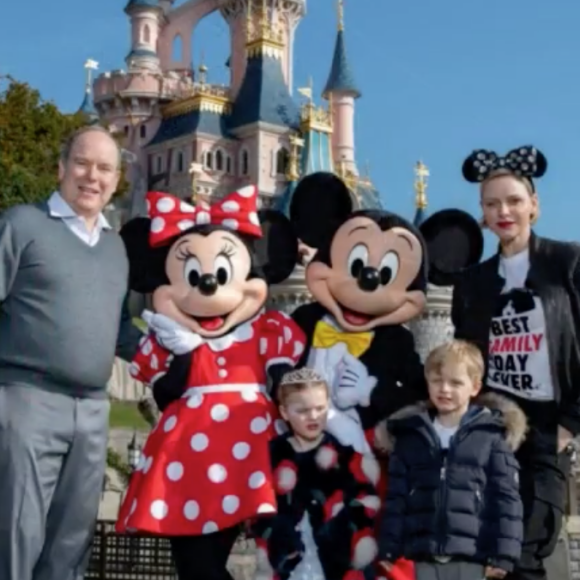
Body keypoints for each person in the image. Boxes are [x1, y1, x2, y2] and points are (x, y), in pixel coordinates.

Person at [114, 187, 306, 580]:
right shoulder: (168, 339)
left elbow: (282, 382)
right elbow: (165, 393)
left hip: (248, 457)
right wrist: (184, 351)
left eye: (220, 274)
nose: (208, 286)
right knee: (194, 567)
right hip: (187, 462)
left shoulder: (266, 331)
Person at [0, 125, 141, 580]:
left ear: (116, 180)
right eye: (82, 163)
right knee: (16, 533)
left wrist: (177, 360)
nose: (91, 176)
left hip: (93, 409)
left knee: (72, 541)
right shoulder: (22, 224)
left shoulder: (115, 248)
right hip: (27, 399)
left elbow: (119, 329)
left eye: (104, 168)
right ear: (61, 167)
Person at [452, 145, 580, 580]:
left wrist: (569, 423)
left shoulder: (567, 262)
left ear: (534, 206)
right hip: (493, 424)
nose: (503, 211)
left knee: (530, 542)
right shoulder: (471, 281)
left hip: (548, 426)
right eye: (492, 203)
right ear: (482, 213)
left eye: (513, 201)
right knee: (495, 546)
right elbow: (465, 356)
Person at [377, 340, 526, 580]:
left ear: (475, 387)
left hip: (472, 557)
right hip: (420, 555)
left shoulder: (490, 436)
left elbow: (507, 501)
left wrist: (504, 556)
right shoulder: (411, 436)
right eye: (437, 381)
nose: (444, 389)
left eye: (455, 383)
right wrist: (389, 547)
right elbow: (396, 499)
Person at [253, 367, 380, 580]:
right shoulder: (269, 457)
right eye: (302, 411)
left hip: (337, 563)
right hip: (285, 562)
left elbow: (364, 504)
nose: (312, 416)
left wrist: (340, 529)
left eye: (319, 408)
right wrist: (277, 533)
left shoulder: (345, 457)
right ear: (284, 412)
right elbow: (258, 509)